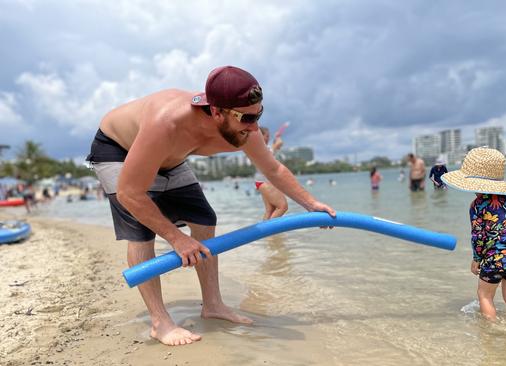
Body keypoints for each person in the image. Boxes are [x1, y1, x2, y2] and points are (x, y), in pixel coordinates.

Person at [86, 65, 336, 346]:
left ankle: (213, 304)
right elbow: (130, 194)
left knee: (204, 219)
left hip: (171, 156)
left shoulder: (243, 127)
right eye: (247, 118)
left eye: (259, 114)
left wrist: (311, 202)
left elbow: (273, 169)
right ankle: (160, 322)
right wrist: (177, 238)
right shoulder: (167, 123)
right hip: (120, 149)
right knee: (142, 233)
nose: (254, 127)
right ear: (217, 112)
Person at [441, 147, 506, 321]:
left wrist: (477, 259)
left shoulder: (477, 205)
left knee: (484, 296)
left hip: (493, 259)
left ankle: (491, 332)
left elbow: (478, 236)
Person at [255, 127, 288, 220]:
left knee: (270, 210)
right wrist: (277, 136)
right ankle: (268, 232)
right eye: (266, 136)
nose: (268, 138)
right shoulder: (260, 148)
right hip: (264, 182)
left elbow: (278, 144)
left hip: (261, 182)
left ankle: (265, 234)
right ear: (260, 136)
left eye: (269, 136)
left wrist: (277, 138)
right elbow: (278, 144)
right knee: (283, 206)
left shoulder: (263, 148)